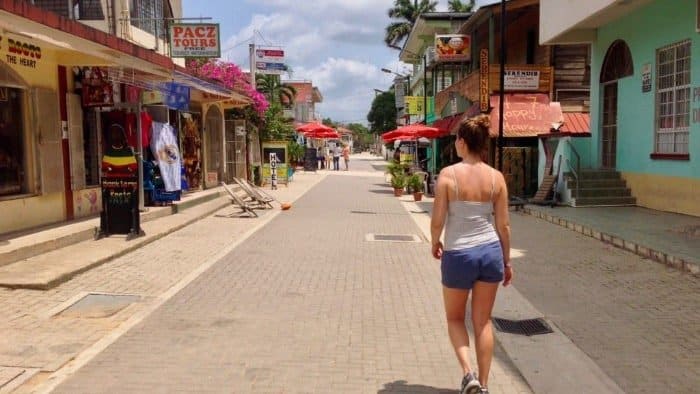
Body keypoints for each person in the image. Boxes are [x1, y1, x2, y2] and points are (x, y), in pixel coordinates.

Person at [429, 114, 512, 394]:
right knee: (483, 321)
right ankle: (485, 386)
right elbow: (503, 225)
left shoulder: (448, 175)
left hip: (459, 254)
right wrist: (507, 260)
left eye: (456, 141)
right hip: (490, 253)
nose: (455, 145)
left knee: (455, 318)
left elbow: (438, 219)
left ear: (463, 143)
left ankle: (469, 375)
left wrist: (434, 242)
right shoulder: (496, 178)